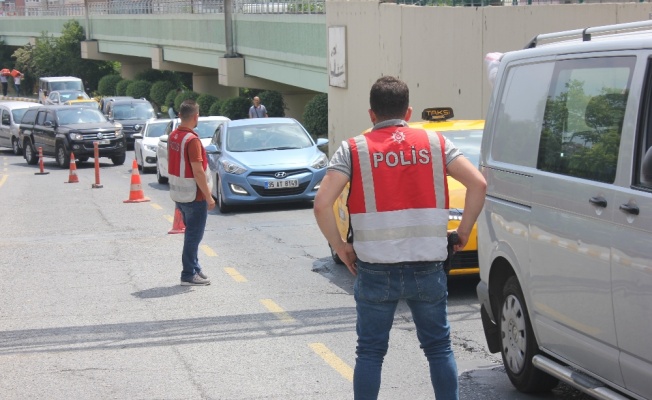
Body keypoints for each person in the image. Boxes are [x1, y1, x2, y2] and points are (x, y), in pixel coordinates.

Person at [313, 76, 486, 400]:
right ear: (408, 112)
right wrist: (462, 232)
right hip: (428, 267)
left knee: (370, 352)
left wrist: (339, 246)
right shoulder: (437, 144)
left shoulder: (353, 150)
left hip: (375, 269)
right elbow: (478, 184)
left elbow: (322, 203)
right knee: (438, 349)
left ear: (371, 114)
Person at [167, 99, 216, 286]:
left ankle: (195, 267)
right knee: (193, 237)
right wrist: (209, 197)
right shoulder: (192, 140)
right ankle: (188, 274)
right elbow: (197, 171)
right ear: (196, 116)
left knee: (191, 234)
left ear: (179, 115)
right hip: (195, 196)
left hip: (179, 194)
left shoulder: (174, 136)